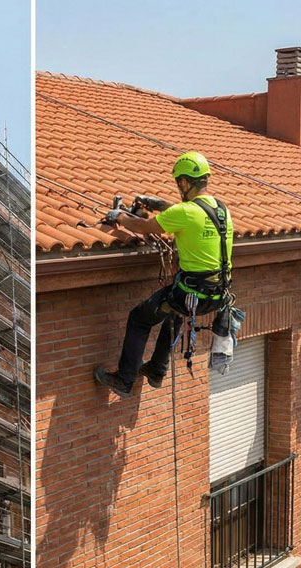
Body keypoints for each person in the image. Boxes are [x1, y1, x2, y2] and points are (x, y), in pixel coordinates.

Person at [93, 151, 234, 396]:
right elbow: (189, 212)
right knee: (172, 313)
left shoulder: (185, 213)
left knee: (140, 317)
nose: (179, 188)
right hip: (217, 296)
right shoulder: (221, 209)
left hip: (191, 294)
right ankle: (157, 370)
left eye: (179, 183)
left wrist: (120, 217)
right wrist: (159, 204)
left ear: (185, 182)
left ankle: (124, 380)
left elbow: (145, 226)